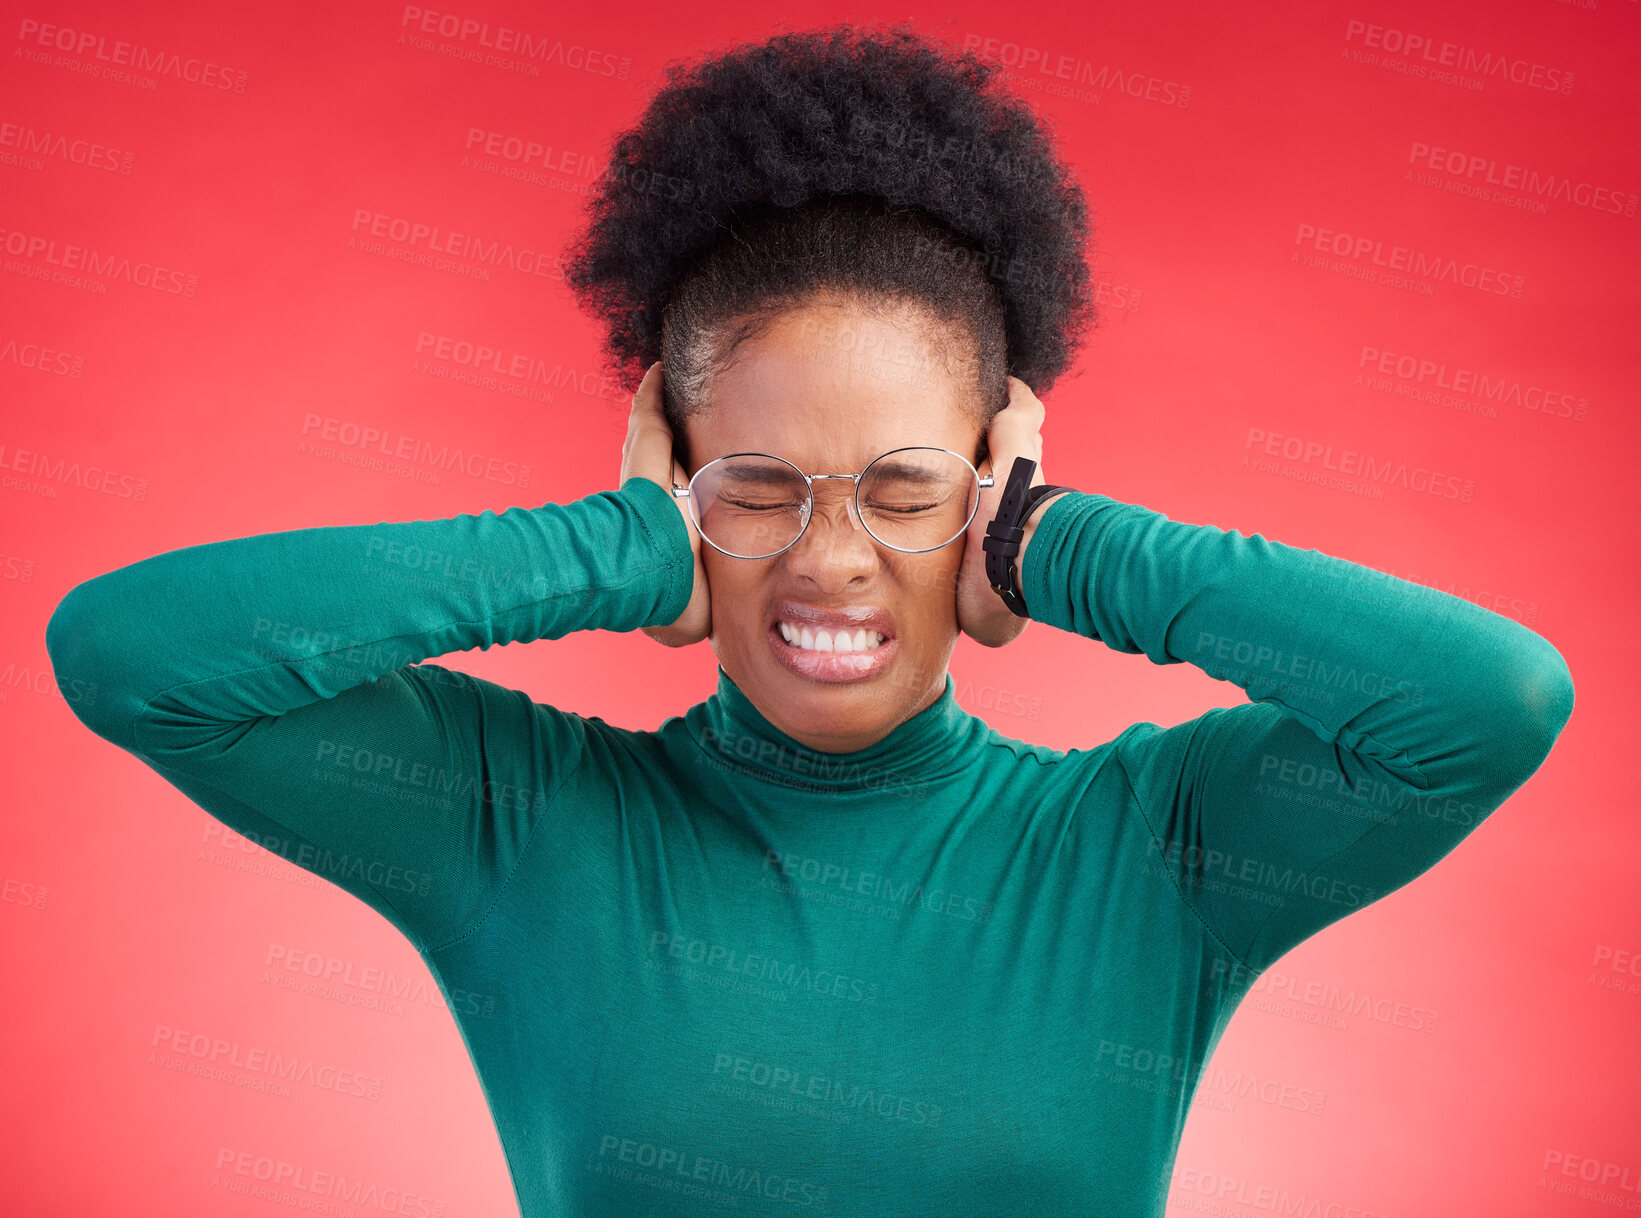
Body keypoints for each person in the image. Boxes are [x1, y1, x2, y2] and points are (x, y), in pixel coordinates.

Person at [45, 23, 1574, 1218]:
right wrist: (604, 552)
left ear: (993, 478)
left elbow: (1488, 700)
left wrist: (1064, 547)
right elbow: (131, 654)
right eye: (759, 485)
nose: (830, 560)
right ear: (675, 476)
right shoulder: (515, 822)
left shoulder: (1159, 848)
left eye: (905, 489)